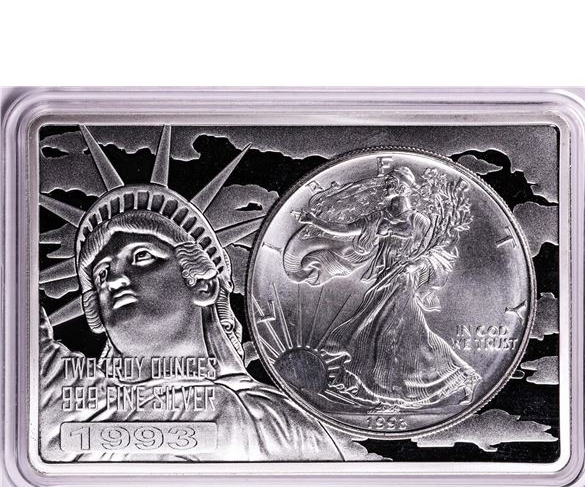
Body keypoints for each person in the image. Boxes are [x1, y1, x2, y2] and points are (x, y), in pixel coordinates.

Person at [39, 126, 378, 462]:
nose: (113, 279)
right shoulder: (68, 406)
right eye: (101, 273)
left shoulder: (284, 425)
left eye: (141, 256)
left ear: (203, 285)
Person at [284, 168, 481, 410]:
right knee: (399, 335)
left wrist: (415, 265)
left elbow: (435, 254)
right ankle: (454, 377)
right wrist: (314, 221)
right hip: (385, 279)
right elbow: (347, 229)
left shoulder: (419, 221)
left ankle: (397, 393)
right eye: (387, 182)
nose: (386, 186)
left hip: (403, 281)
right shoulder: (379, 217)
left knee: (386, 333)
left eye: (391, 183)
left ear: (403, 187)